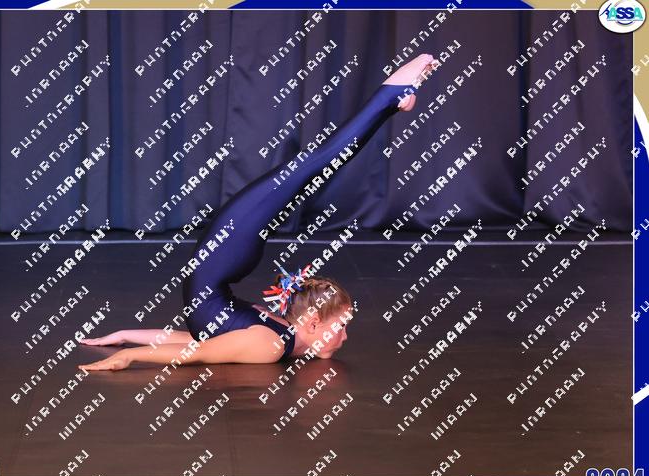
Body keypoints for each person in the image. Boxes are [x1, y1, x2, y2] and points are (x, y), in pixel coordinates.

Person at [78, 53, 438, 371]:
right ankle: (390, 97)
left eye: (343, 326)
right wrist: (129, 353)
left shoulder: (271, 341)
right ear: (313, 323)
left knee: (314, 167)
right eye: (341, 325)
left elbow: (197, 343)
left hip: (227, 252)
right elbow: (199, 347)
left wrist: (127, 340)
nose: (345, 336)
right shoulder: (270, 345)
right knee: (315, 166)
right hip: (227, 254)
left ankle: (391, 99)